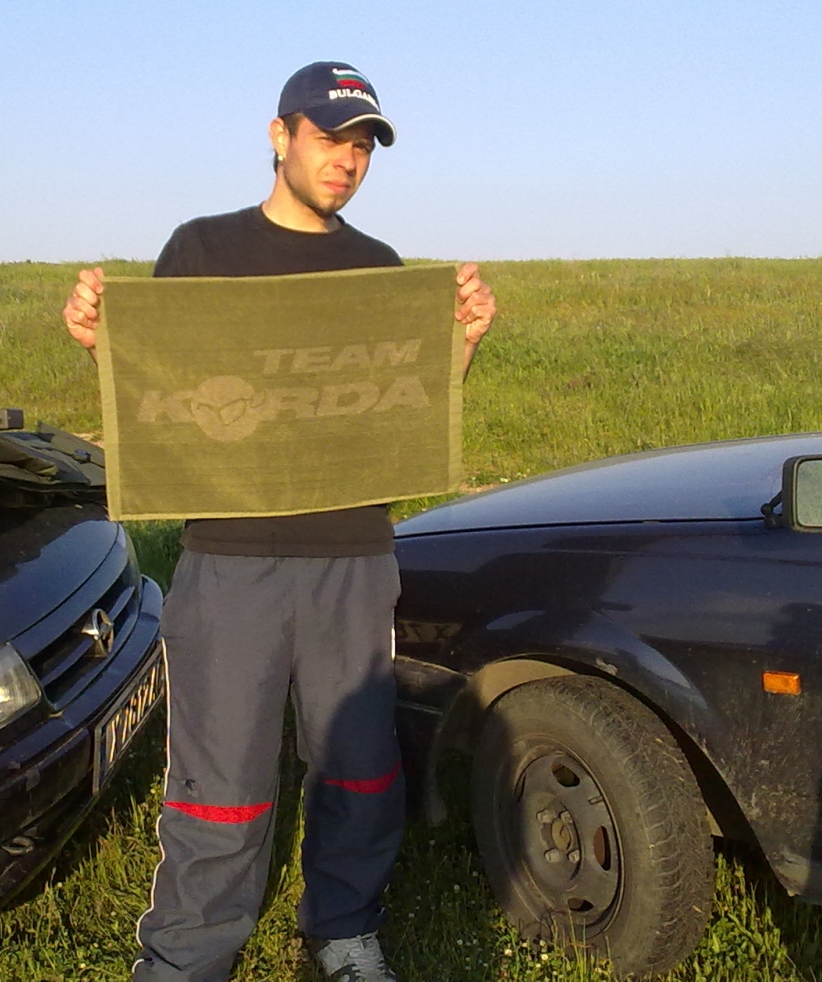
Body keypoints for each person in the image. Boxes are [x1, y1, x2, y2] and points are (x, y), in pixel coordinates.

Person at [62, 61, 496, 982]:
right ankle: (187, 957)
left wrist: (459, 345)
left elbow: (404, 415)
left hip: (353, 558)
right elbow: (163, 397)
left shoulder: (379, 271)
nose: (348, 160)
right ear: (279, 135)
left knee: (359, 769)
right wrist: (105, 342)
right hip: (231, 559)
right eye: (330, 137)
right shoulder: (201, 251)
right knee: (219, 783)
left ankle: (344, 930)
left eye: (364, 145)